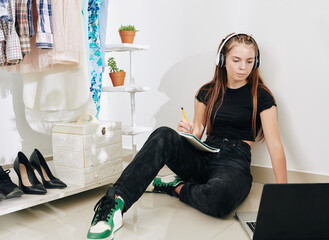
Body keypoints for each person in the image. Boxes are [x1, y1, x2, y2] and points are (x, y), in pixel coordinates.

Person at [86, 32, 287, 240]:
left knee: (220, 199)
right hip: (205, 155)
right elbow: (198, 133)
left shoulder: (261, 96)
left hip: (234, 163)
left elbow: (275, 145)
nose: (243, 67)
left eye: (249, 61)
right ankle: (115, 202)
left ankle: (176, 187)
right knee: (163, 134)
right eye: (236, 60)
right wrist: (189, 131)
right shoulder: (207, 92)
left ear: (256, 62)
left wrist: (284, 195)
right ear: (222, 60)